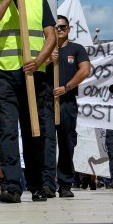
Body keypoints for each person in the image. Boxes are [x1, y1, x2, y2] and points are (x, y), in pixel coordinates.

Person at [0, 0, 56, 203]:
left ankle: (37, 185)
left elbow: (51, 36)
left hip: (33, 73)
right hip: (4, 73)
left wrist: (38, 62)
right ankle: (12, 185)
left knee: (34, 130)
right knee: (8, 130)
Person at [43, 14, 91, 199]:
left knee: (67, 144)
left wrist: (67, 87)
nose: (60, 30)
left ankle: (65, 184)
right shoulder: (45, 49)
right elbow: (31, 67)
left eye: (63, 27)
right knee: (48, 144)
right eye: (56, 27)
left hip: (67, 103)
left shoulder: (76, 49)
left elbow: (85, 70)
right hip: (47, 103)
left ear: (69, 29)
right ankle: (47, 183)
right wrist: (47, 59)